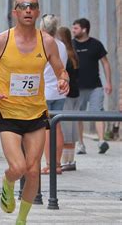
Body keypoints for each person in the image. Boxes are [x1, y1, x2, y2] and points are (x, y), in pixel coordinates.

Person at [0, 0, 69, 225]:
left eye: (33, 6)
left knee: (32, 170)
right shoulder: (1, 40)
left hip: (36, 113)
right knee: (17, 167)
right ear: (15, 12)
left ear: (38, 12)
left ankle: (21, 220)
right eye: (23, 6)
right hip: (8, 111)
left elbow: (60, 69)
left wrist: (63, 79)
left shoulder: (46, 41)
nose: (28, 10)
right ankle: (7, 183)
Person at [72, 18, 112, 154]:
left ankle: (101, 141)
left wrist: (108, 82)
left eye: (76, 28)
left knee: (98, 113)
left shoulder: (96, 44)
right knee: (78, 116)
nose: (73, 31)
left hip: (95, 86)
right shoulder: (71, 45)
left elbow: (105, 63)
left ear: (84, 29)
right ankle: (80, 144)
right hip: (78, 87)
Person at [40, 14, 68, 175]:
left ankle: (50, 164)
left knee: (46, 129)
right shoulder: (61, 45)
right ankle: (57, 163)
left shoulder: (43, 44)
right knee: (58, 127)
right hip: (59, 90)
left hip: (45, 91)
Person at [57, 26, 80, 171]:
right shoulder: (74, 54)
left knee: (65, 128)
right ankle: (70, 160)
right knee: (72, 127)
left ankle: (66, 161)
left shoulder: (63, 55)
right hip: (75, 94)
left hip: (66, 95)